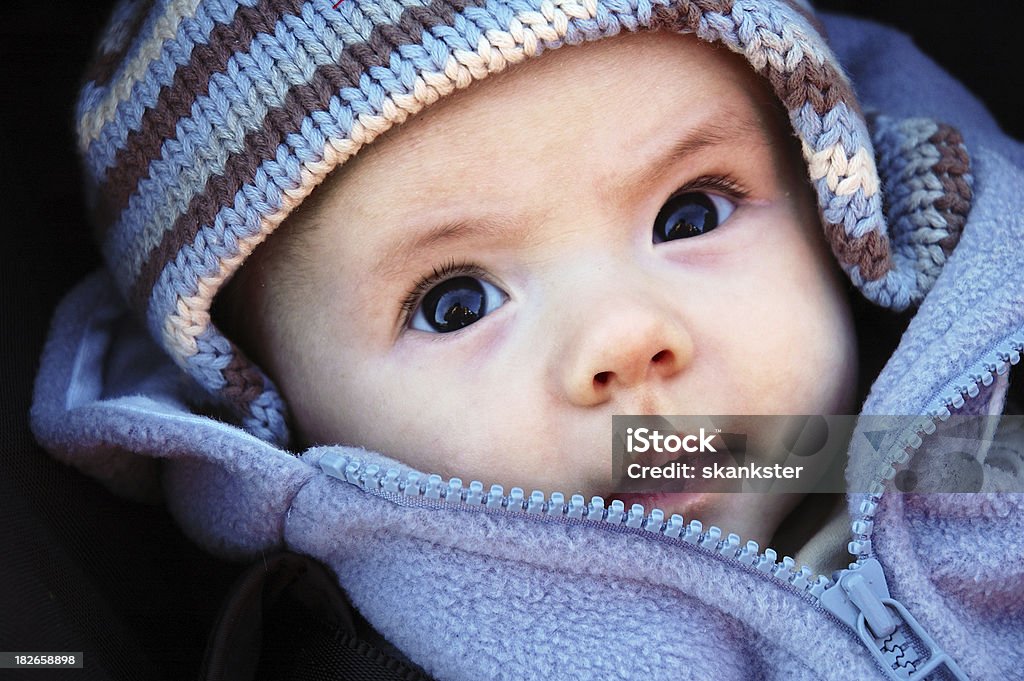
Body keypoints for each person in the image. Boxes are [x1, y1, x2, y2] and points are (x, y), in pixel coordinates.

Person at [32, 0, 1023, 678]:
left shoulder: (979, 447)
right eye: (455, 303)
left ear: (840, 210)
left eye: (689, 215)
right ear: (276, 409)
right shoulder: (369, 651)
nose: (625, 337)